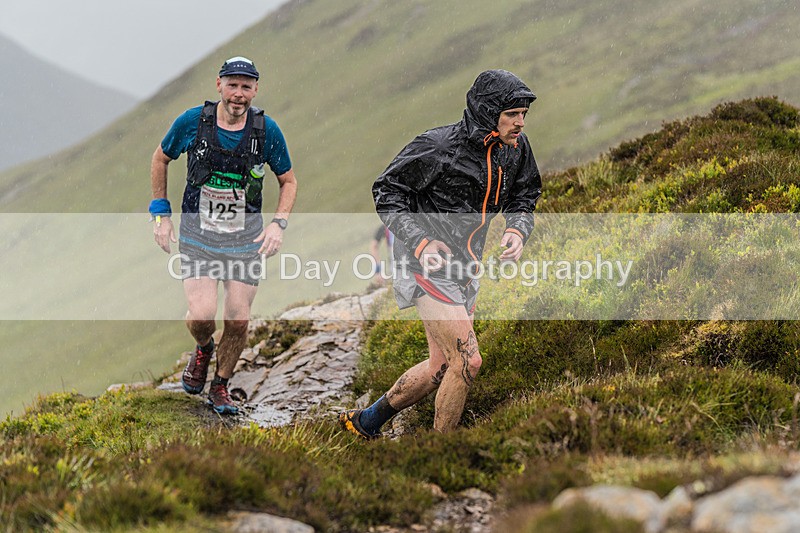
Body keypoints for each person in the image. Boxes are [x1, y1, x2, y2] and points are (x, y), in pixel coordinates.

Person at [339, 69, 541, 437]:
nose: (520, 122)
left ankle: (366, 422)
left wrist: (516, 228)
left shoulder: (515, 150)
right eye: (512, 113)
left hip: (467, 267)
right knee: (468, 360)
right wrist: (420, 241)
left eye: (524, 113)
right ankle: (439, 452)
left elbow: (526, 194)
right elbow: (386, 191)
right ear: (488, 110)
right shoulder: (438, 147)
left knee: (441, 367)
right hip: (423, 263)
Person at [150, 56, 297, 415]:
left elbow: (288, 181)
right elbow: (160, 158)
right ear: (219, 85)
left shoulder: (266, 131)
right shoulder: (192, 122)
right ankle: (203, 348)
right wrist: (160, 215)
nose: (238, 94)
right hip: (198, 234)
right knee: (202, 314)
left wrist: (278, 223)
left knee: (238, 318)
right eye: (232, 85)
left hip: (245, 238)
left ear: (255, 90)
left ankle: (220, 386)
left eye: (246, 87)